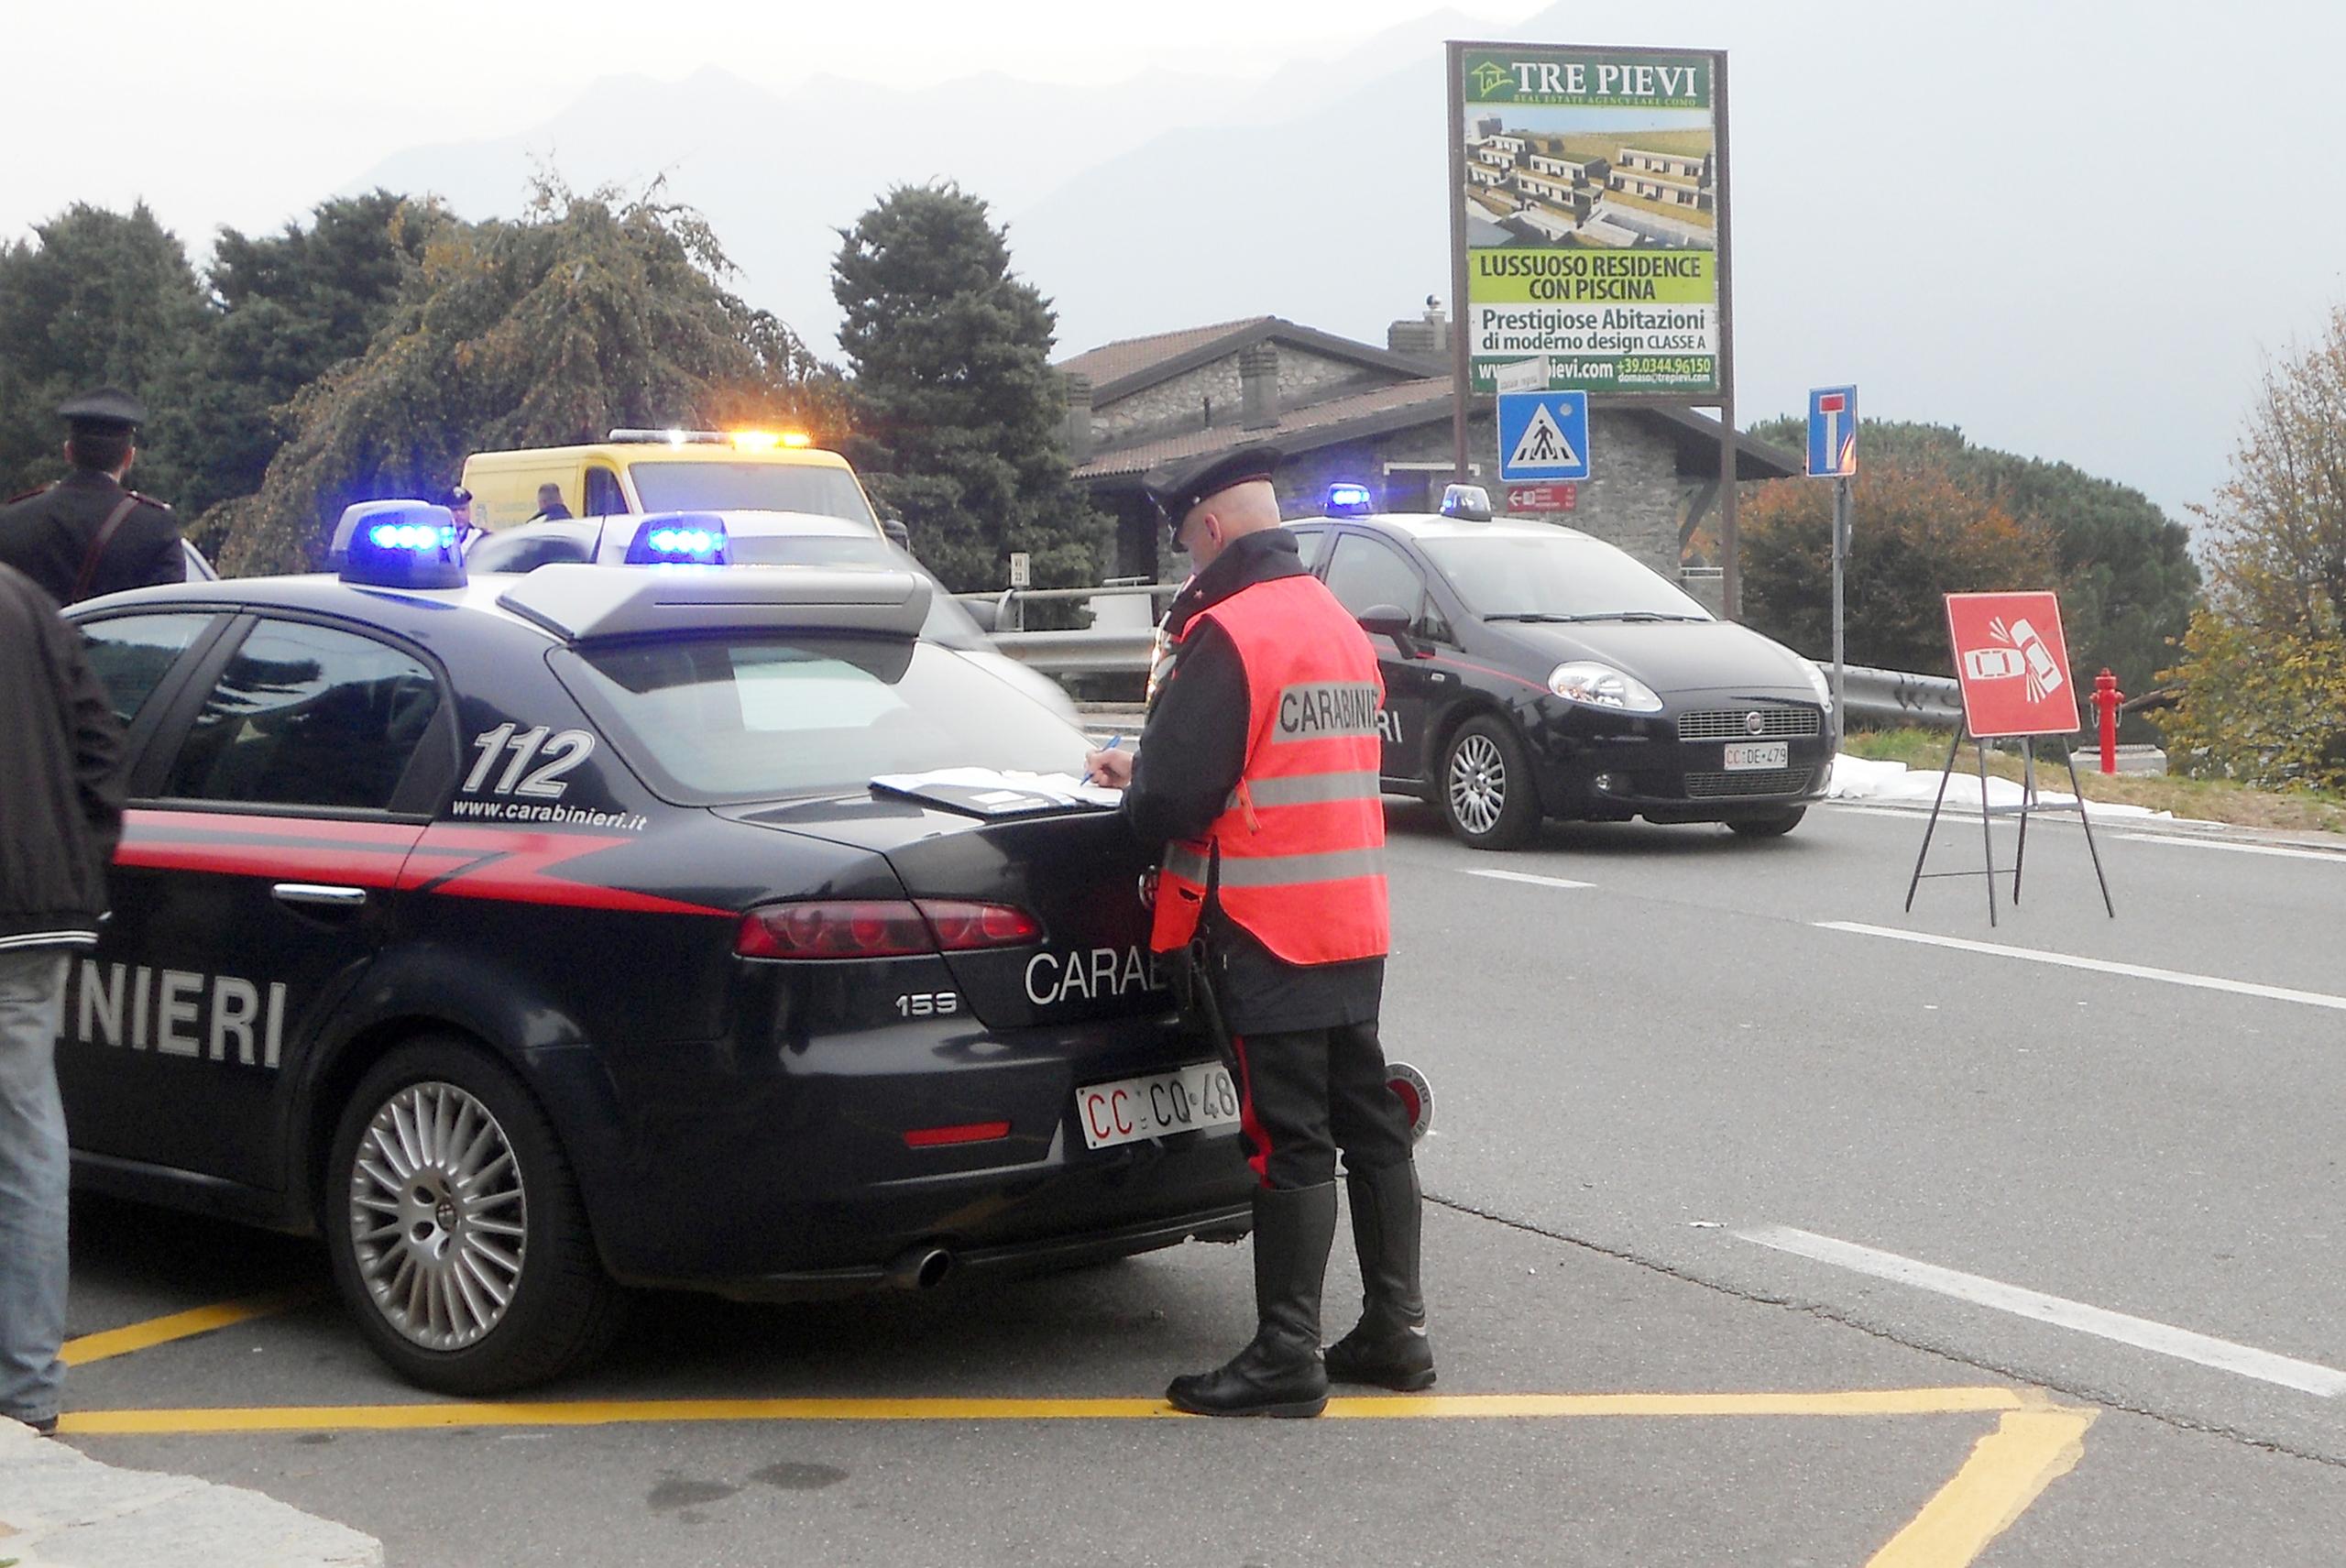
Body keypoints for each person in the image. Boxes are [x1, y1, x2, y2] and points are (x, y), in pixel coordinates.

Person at [1084, 444, 1432, 1419]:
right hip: (1350, 916)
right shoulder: (1334, 623)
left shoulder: (1229, 631)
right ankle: (1395, 1331)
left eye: (1188, 544)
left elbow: (1176, 798)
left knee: (1288, 1142)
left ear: (1208, 530)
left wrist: (1134, 780)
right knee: (1370, 1124)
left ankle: (1286, 1354)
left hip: (1266, 921)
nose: (1189, 564)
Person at [0, 563, 128, 1437]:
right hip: (38, 909)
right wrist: (79, 866)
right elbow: (102, 748)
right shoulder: (26, 602)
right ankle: (29, 1385)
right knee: (27, 1135)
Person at [0, 387, 185, 607]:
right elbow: (167, 614)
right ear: (128, 458)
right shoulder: (156, 526)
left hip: (32, 642)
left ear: (68, 452)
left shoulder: (12, 519)